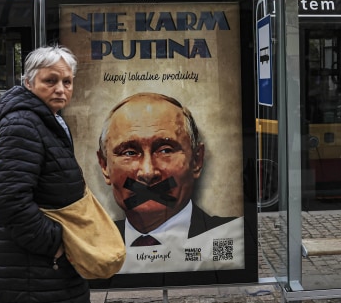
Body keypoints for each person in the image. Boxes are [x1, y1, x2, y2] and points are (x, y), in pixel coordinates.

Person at [0, 45, 94, 303]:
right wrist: (55, 242)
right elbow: (9, 200)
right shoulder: (23, 125)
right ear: (29, 83)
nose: (61, 88)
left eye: (67, 81)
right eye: (51, 80)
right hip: (36, 268)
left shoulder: (46, 121)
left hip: (27, 270)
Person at [96, 92, 244, 273]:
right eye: (129, 153)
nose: (148, 172)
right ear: (104, 166)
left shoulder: (231, 236)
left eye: (165, 150)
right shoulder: (93, 248)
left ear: (197, 160)